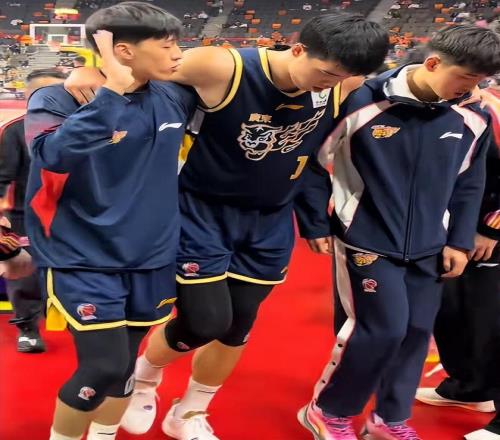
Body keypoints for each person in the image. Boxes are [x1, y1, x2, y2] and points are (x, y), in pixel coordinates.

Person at [65, 12, 390, 440]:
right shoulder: (221, 66)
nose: (330, 84)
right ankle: (145, 376)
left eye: (344, 78)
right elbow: (143, 67)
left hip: (270, 217)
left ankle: (189, 413)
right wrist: (88, 71)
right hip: (202, 210)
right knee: (205, 321)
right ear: (297, 50)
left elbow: (411, 82)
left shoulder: (343, 83)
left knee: (239, 326)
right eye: (326, 73)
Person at [293, 24, 500, 440]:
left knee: (417, 332)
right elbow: (312, 162)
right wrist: (315, 222)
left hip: (430, 244)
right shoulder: (363, 101)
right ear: (433, 63)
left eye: (479, 80)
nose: (470, 89)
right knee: (381, 329)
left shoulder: (472, 115)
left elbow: (470, 184)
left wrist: (460, 241)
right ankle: (328, 410)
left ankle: (389, 419)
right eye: (464, 77)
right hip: (365, 240)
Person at [24, 3, 196, 440]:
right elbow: (50, 155)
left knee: (124, 366)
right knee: (103, 365)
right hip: (81, 254)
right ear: (123, 50)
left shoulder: (175, 94)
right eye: (167, 45)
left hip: (152, 254)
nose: (179, 53)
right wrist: (111, 93)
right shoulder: (56, 99)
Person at [416, 88, 500, 440]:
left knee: (491, 320)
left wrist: (491, 227)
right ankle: (470, 387)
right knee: (454, 310)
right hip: (451, 227)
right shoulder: (429, 104)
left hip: (486, 229)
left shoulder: (491, 110)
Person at [0, 68, 66, 353]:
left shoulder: (80, 127)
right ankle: (27, 327)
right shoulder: (14, 130)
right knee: (26, 274)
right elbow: (2, 177)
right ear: (32, 97)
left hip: (71, 214)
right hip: (24, 215)